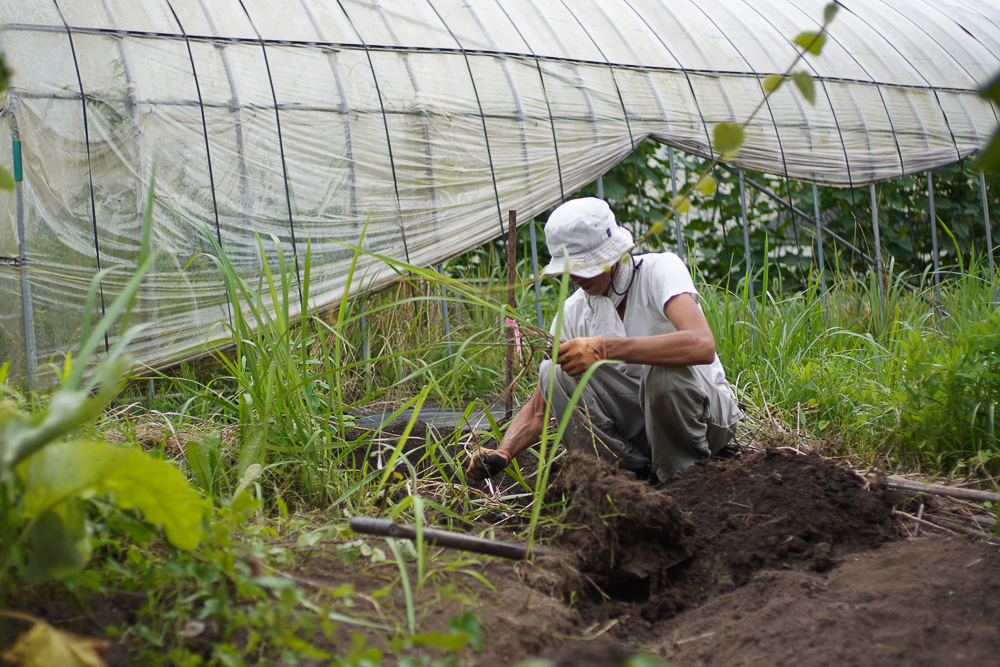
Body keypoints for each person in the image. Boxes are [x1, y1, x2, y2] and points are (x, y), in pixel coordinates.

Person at [466, 197, 742, 485]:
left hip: (704, 419)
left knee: (662, 366)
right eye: (569, 269)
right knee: (553, 372)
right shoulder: (573, 311)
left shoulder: (659, 270)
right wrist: (503, 453)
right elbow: (539, 406)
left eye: (586, 266)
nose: (575, 277)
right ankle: (625, 479)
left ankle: (683, 477)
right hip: (644, 430)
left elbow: (701, 344)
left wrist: (602, 349)